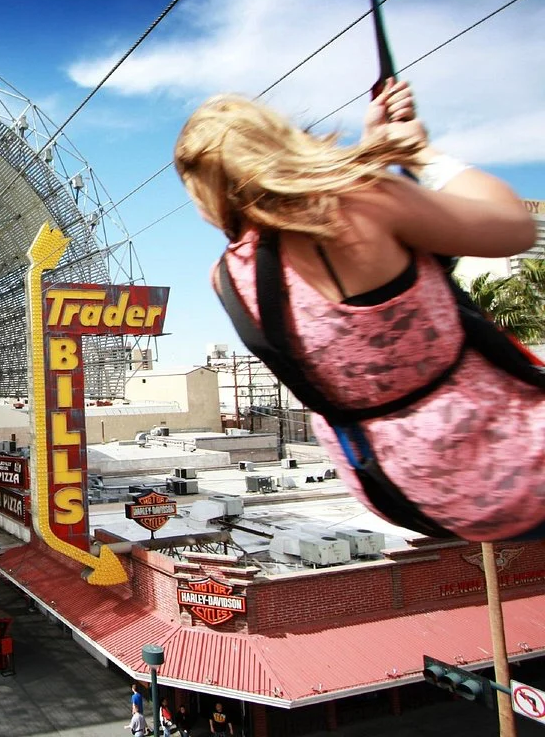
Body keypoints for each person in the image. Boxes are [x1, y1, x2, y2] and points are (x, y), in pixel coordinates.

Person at [174, 80, 545, 542]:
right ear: (278, 139)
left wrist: (372, 150)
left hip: (417, 493)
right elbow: (513, 229)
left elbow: (305, 227)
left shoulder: (228, 276)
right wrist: (422, 155)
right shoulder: (366, 201)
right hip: (516, 460)